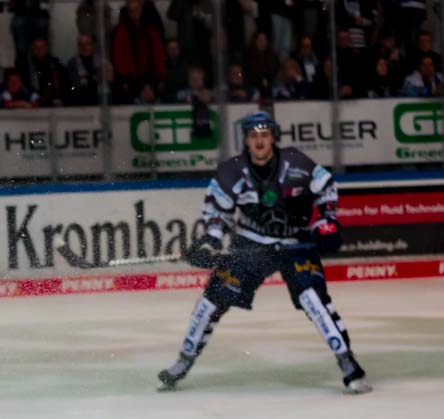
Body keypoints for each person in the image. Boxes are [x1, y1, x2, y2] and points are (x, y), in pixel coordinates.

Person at [158, 112, 370, 394]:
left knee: (313, 299)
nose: (259, 141)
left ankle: (347, 362)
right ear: (245, 140)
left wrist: (327, 220)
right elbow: (216, 211)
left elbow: (327, 188)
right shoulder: (231, 171)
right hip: (251, 245)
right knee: (212, 300)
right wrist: (211, 238)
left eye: (265, 135)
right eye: (253, 136)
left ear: (273, 137)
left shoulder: (297, 163)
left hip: (294, 243)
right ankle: (183, 361)